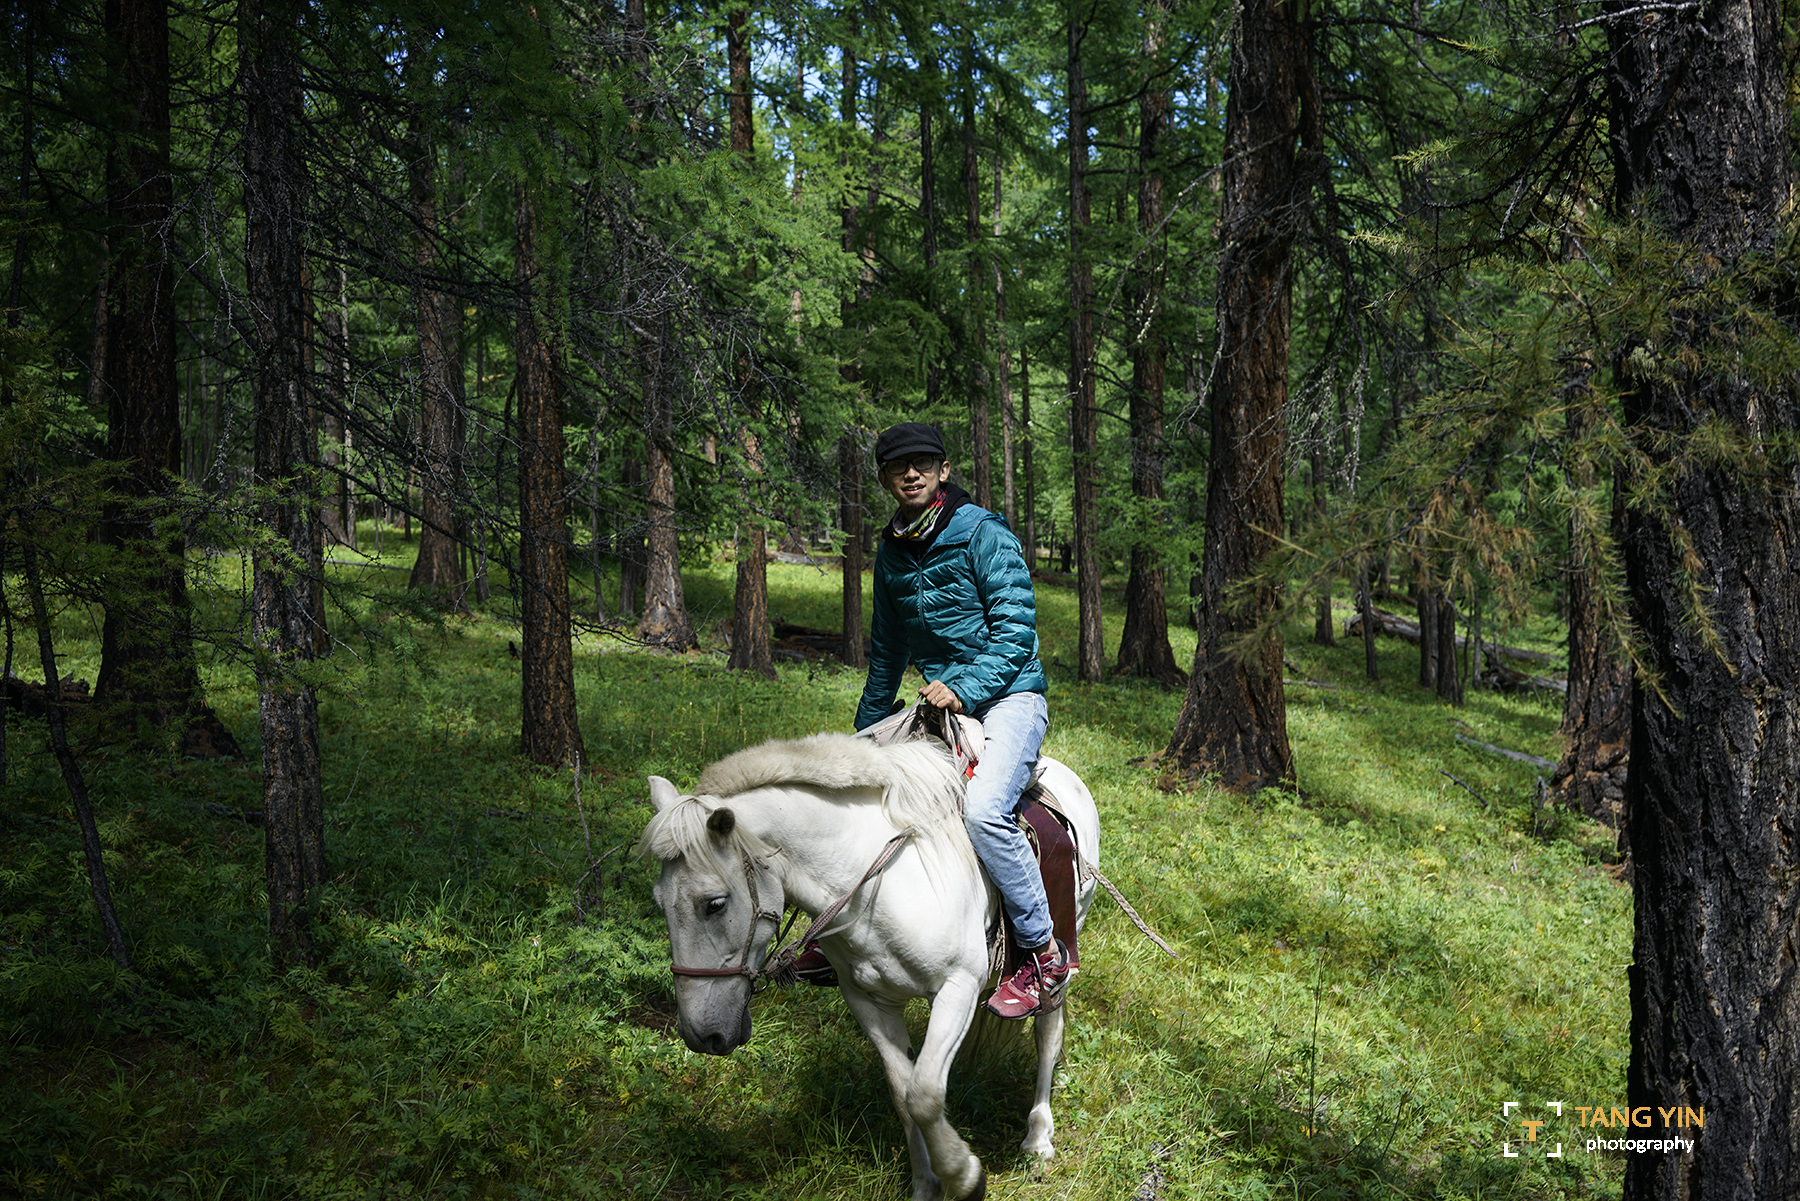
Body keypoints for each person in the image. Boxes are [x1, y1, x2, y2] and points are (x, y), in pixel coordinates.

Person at [849, 421, 1068, 1019]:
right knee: (865, 793)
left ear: (944, 471)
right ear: (885, 480)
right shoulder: (892, 551)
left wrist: (964, 689)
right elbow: (888, 654)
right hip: (939, 701)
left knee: (982, 809)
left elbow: (1017, 634)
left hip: (1010, 696)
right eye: (899, 467)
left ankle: (1043, 952)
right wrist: (865, 737)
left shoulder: (983, 533)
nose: (912, 474)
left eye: (923, 464)